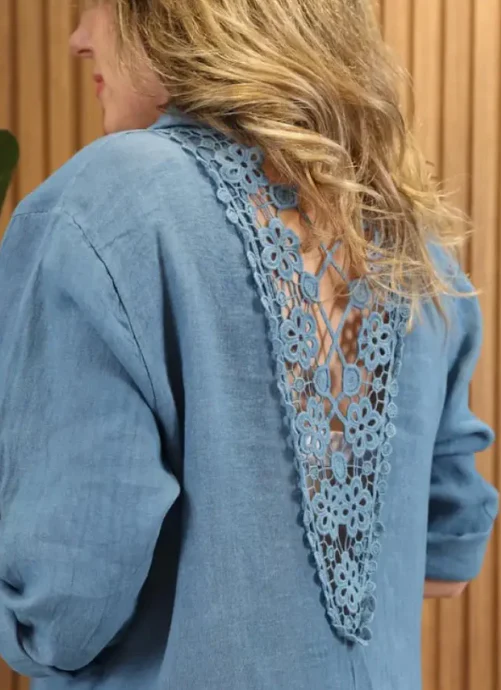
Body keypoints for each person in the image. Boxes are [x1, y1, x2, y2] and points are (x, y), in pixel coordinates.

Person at [0, 1, 497, 688]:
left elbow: (66, 607)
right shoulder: (410, 237)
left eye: (100, 5)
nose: (78, 39)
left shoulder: (105, 205)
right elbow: (445, 559)